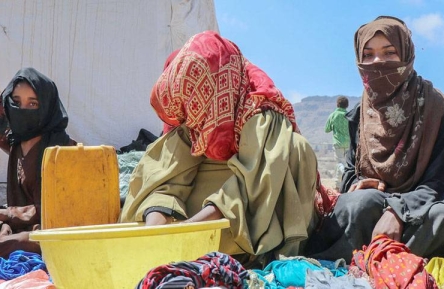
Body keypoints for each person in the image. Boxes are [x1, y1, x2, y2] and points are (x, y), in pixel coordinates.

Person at [119, 31, 318, 265]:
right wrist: (157, 232)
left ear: (215, 92)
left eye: (195, 111)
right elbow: (163, 177)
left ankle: (257, 257)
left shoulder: (259, 117)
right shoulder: (191, 112)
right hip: (191, 234)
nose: (190, 121)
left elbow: (250, 190)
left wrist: (189, 230)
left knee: (294, 149)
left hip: (243, 230)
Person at [305, 16, 444, 262]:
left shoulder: (436, 108)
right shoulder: (359, 114)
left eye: (389, 53)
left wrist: (398, 211)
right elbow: (350, 170)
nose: (377, 61)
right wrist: (359, 182)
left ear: (406, 54)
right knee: (359, 202)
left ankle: (378, 262)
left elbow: (438, 181)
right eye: (368, 55)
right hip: (369, 206)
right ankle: (373, 262)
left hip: (418, 209)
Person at [0, 67, 76, 260]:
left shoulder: (63, 148)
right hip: (20, 225)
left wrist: (1, 213)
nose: (22, 111)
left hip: (55, 230)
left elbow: (63, 211)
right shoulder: (17, 143)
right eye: (16, 103)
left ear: (47, 107)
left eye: (32, 104)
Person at [325, 96, 350, 189]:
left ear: (337, 104)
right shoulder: (349, 115)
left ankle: (339, 184)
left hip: (338, 143)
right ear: (347, 105)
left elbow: (326, 129)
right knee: (347, 163)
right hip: (348, 143)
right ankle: (340, 184)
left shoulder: (333, 115)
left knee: (340, 163)